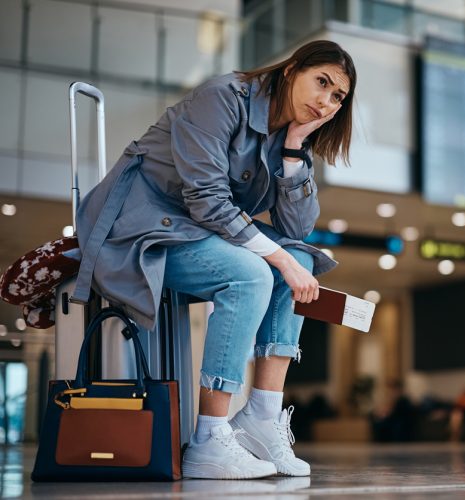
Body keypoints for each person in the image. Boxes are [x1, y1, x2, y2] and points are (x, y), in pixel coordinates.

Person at [72, 40, 356, 479]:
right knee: (252, 275)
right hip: (138, 223)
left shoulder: (289, 134)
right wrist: (277, 259)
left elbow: (296, 228)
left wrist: (296, 148)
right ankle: (209, 439)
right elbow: (205, 198)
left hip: (193, 228)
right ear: (291, 70)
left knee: (299, 256)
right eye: (322, 82)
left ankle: (262, 417)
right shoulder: (222, 97)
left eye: (338, 96)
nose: (326, 101)